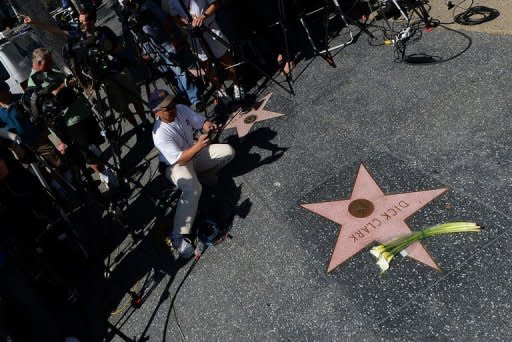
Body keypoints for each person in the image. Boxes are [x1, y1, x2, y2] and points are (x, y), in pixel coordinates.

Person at [24, 9, 149, 136]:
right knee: (121, 107)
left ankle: (145, 122)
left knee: (135, 99)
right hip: (104, 78)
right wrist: (35, 22)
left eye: (84, 21)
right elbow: (56, 31)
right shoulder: (79, 35)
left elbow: (119, 49)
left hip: (119, 70)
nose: (82, 24)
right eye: (80, 21)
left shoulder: (104, 32)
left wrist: (109, 49)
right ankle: (137, 129)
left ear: (93, 21)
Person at [150, 89, 235, 258]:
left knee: (228, 151)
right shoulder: (159, 133)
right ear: (157, 113)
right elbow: (180, 160)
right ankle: (177, 235)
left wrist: (208, 126)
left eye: (172, 104)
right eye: (167, 108)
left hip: (193, 154)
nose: (173, 109)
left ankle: (200, 178)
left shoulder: (180, 109)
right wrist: (199, 145)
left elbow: (200, 121)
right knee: (193, 189)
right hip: (175, 166)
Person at [28, 48, 118, 190]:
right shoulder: (33, 82)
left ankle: (104, 172)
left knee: (95, 144)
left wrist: (73, 81)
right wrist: (64, 85)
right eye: (48, 61)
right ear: (38, 63)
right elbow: (47, 102)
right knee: (88, 152)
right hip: (70, 121)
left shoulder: (51, 71)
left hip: (81, 112)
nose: (51, 63)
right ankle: (108, 179)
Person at [130, 0, 205, 111]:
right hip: (155, 48)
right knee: (172, 74)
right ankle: (186, 96)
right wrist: (144, 53)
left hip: (167, 41)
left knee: (180, 70)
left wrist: (173, 37)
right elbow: (136, 36)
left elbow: (165, 19)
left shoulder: (148, 5)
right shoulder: (129, 16)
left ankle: (195, 99)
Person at [167, 0, 244, 102]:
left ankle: (237, 85)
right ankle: (220, 91)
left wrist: (203, 16)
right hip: (194, 33)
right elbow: (175, 17)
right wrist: (183, 21)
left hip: (210, 27)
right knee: (206, 65)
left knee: (225, 58)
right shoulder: (172, 1)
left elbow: (216, 3)